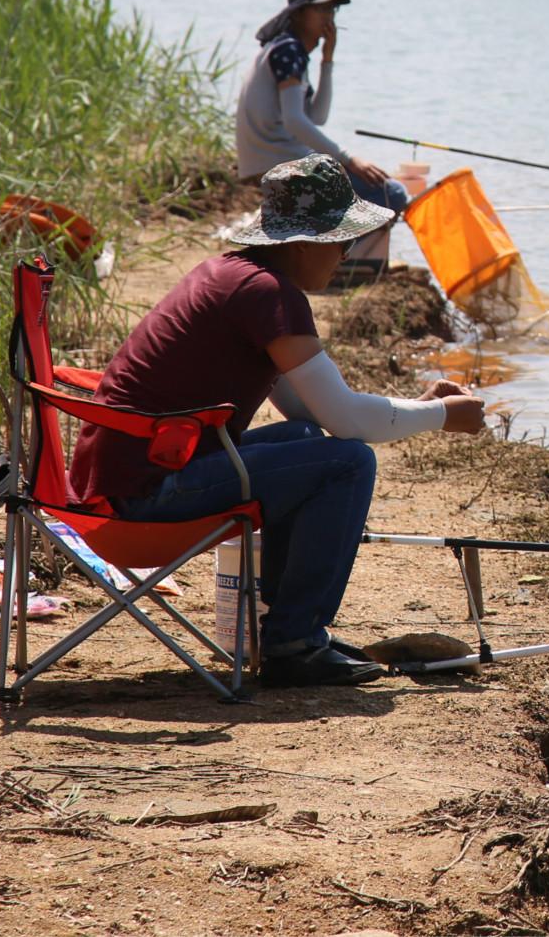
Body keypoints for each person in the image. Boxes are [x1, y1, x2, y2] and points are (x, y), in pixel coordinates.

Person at [69, 154, 486, 688]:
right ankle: (294, 642)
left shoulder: (235, 275)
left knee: (308, 440)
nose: (345, 254)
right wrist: (441, 415)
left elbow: (315, 413)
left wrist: (419, 402)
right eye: (342, 240)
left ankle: (285, 627)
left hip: (126, 479)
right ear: (304, 242)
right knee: (348, 464)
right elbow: (347, 421)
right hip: (141, 498)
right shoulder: (269, 294)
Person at [236, 0, 409, 213]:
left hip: (275, 160)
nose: (328, 16)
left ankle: (338, 246)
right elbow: (294, 121)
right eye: (320, 9)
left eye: (332, 9)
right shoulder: (288, 50)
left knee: (380, 193)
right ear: (298, 14)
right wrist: (348, 160)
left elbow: (317, 117)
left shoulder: (287, 48)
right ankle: (341, 249)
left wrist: (327, 60)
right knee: (392, 195)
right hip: (280, 162)